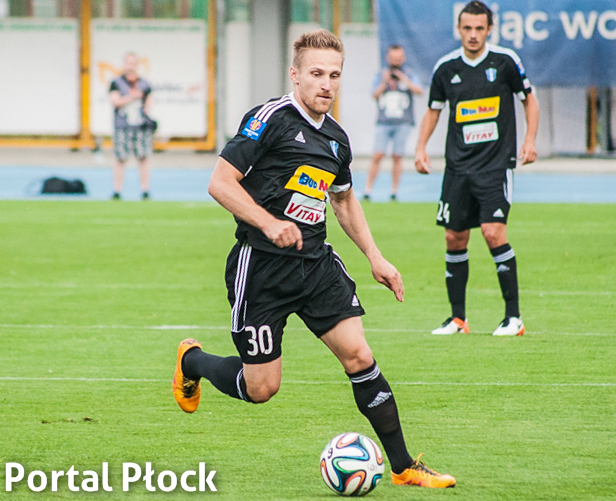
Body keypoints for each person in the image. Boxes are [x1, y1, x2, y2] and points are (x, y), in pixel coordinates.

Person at [173, 30, 456, 489]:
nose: (326, 84)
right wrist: (268, 223)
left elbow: (342, 201)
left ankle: (403, 466)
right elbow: (220, 183)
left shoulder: (337, 140)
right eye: (317, 73)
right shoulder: (269, 119)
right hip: (261, 268)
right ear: (296, 75)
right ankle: (193, 361)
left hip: (316, 265)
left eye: (334, 75)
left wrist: (376, 257)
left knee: (360, 355)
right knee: (261, 388)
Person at [414, 1, 539, 336]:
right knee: (454, 237)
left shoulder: (505, 61)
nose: (473, 34)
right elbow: (433, 110)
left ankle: (513, 318)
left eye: (479, 28)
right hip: (458, 167)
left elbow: (529, 100)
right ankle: (458, 319)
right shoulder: (445, 68)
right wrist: (420, 148)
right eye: (467, 28)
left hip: (495, 165)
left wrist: (530, 141)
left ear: (489, 29)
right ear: (459, 29)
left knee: (493, 232)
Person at [363, 45, 423, 202]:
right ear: (388, 58)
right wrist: (384, 81)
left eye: (398, 58)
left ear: (403, 58)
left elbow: (419, 91)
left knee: (397, 156)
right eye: (393, 58)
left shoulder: (409, 74)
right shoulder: (381, 74)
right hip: (384, 122)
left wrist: (404, 79)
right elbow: (374, 95)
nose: (396, 62)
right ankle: (368, 190)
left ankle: (394, 191)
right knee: (378, 154)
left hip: (403, 122)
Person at [109, 52, 154, 200]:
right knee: (120, 158)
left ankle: (145, 190)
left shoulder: (144, 84)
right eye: (128, 63)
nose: (131, 66)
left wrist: (145, 111)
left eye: (133, 63)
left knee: (143, 157)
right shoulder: (116, 83)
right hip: (123, 125)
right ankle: (117, 190)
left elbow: (149, 101)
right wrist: (132, 97)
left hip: (140, 126)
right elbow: (115, 101)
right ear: (124, 64)